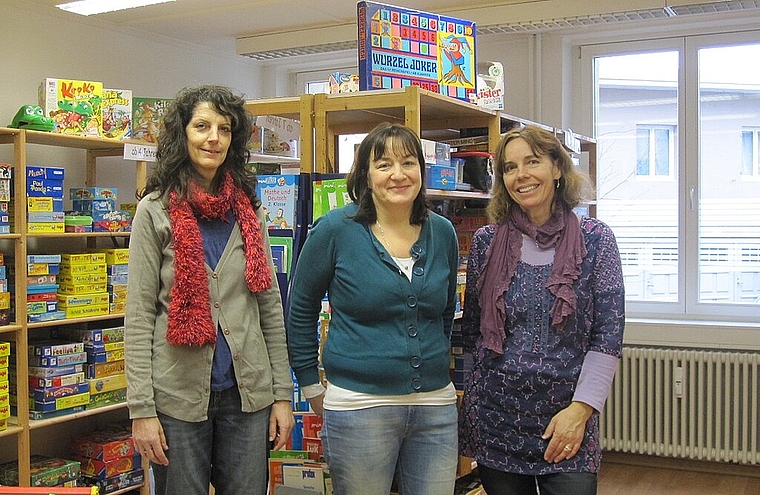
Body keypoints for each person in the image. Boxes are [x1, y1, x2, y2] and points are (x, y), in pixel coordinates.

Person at [125, 85, 294, 495]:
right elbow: (139, 316)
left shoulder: (248, 209)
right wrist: (141, 410)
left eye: (224, 128)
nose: (213, 138)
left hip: (248, 395)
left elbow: (269, 306)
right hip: (178, 397)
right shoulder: (156, 209)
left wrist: (283, 397)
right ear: (182, 134)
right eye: (201, 126)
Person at [287, 122, 460, 495]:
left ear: (421, 171)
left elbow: (446, 310)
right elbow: (300, 308)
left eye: (408, 163)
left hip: (435, 406)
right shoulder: (335, 229)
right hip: (358, 408)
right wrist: (310, 383)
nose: (397, 174)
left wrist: (432, 361)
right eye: (383, 165)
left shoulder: (442, 231)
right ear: (366, 174)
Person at [458, 125, 625, 495]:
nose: (521, 175)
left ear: (557, 168)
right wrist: (471, 400)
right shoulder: (487, 242)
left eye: (532, 162)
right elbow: (472, 334)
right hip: (496, 421)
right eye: (510, 167)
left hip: (567, 421)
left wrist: (581, 411)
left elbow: (608, 336)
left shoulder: (595, 239)